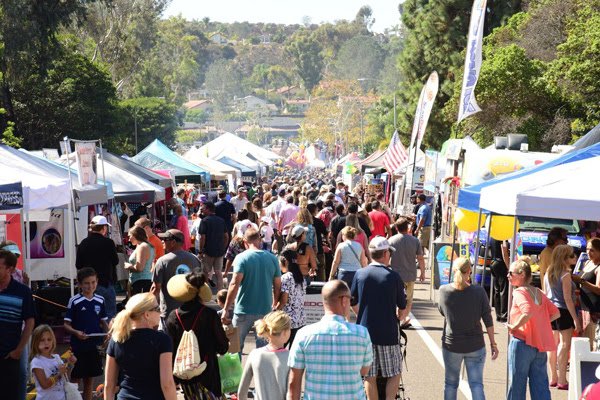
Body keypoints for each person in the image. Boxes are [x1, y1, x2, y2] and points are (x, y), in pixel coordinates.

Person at [287, 280, 373, 400]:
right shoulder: (362, 333)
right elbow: (364, 371)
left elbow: (293, 382)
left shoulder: (304, 334)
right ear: (344, 300)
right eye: (350, 299)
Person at [351, 236, 407, 400]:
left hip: (365, 333)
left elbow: (352, 300)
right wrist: (399, 315)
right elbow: (402, 307)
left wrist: (360, 314)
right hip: (388, 333)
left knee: (370, 374)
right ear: (384, 253)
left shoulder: (360, 274)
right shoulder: (393, 276)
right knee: (394, 372)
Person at [438, 257, 498, 400]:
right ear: (469, 272)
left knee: (450, 384)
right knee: (476, 385)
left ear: (453, 271)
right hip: (475, 345)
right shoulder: (479, 292)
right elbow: (487, 319)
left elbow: (442, 311)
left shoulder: (444, 290)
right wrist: (493, 343)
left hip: (452, 344)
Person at [166, 272, 229, 398]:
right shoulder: (210, 315)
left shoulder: (173, 317)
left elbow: (171, 348)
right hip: (208, 372)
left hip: (185, 373)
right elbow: (223, 347)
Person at [104, 292, 177, 400]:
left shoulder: (117, 339)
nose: (160, 312)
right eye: (157, 309)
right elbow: (167, 384)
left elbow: (109, 385)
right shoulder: (162, 340)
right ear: (146, 315)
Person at [221, 228, 282, 353]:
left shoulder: (241, 258)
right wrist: (275, 303)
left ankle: (237, 373)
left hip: (243, 310)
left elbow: (234, 284)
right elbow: (277, 285)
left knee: (235, 349)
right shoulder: (272, 258)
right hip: (265, 310)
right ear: (259, 240)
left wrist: (226, 309)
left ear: (245, 241)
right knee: (263, 350)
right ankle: (260, 372)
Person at [507, 258, 559, 400]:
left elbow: (528, 311)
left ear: (522, 274)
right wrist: (539, 322)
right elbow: (556, 313)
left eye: (511, 273)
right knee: (540, 385)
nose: (508, 276)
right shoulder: (539, 292)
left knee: (517, 384)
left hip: (522, 343)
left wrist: (514, 326)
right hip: (539, 345)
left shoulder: (519, 292)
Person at [64, 268, 109, 400]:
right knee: (75, 379)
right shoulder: (74, 301)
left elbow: (103, 321)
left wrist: (108, 332)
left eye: (93, 282)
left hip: (94, 346)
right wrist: (76, 332)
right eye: (86, 283)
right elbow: (66, 325)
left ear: (97, 281)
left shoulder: (100, 300)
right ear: (79, 284)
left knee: (89, 379)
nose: (90, 286)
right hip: (78, 346)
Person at [544, 244, 581, 389]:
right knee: (564, 345)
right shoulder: (565, 274)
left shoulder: (549, 272)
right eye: (572, 256)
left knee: (552, 345)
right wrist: (575, 319)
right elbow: (568, 299)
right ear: (564, 258)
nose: (575, 257)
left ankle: (553, 377)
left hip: (551, 310)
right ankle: (562, 379)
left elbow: (547, 295)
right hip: (564, 311)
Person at [0, 249, 35, 400]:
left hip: (9, 355)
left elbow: (30, 321)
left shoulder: (23, 292)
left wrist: (19, 350)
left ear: (11, 269)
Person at [151, 229, 201, 331]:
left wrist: (148, 306)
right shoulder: (195, 259)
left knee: (169, 343)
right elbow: (200, 286)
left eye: (165, 239)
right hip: (192, 312)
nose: (162, 241)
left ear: (173, 242)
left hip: (169, 312)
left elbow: (156, 288)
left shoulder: (162, 261)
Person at [238, 311, 291, 400]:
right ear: (285, 332)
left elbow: (241, 392)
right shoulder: (290, 357)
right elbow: (291, 393)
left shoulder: (254, 354)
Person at [76, 215, 119, 320]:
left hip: (88, 285)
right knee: (109, 315)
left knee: (91, 314)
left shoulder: (83, 243)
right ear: (104, 228)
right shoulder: (108, 243)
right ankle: (108, 336)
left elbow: (78, 265)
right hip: (106, 283)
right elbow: (116, 261)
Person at [388, 218, 426, 328]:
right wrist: (422, 272)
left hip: (395, 275)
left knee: (395, 298)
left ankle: (397, 317)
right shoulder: (415, 241)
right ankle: (403, 318)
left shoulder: (391, 240)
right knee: (408, 299)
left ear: (396, 228)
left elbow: (387, 257)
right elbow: (420, 258)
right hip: (410, 274)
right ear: (408, 227)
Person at [30, 324, 76, 400]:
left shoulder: (57, 357)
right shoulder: (37, 362)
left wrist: (70, 364)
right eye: (42, 340)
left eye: (49, 339)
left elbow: (64, 377)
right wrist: (59, 373)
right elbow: (45, 385)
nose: (46, 343)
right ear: (35, 342)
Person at [572, 238, 600, 350]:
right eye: (587, 249)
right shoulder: (587, 262)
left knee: (592, 342)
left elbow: (598, 289)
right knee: (583, 340)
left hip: (593, 310)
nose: (589, 253)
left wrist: (581, 281)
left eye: (592, 250)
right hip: (583, 308)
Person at [276, 249, 307, 347]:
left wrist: (275, 311)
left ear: (285, 261)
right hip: (300, 320)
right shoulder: (301, 278)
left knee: (281, 350)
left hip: (287, 321)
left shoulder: (286, 278)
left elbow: (284, 300)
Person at [197, 201, 228, 291]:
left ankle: (206, 294)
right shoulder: (221, 220)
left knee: (205, 272)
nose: (202, 209)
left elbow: (202, 238)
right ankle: (220, 293)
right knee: (218, 272)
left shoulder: (204, 221)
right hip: (219, 251)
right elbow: (226, 236)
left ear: (209, 209)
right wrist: (223, 247)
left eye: (204, 208)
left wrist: (200, 250)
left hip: (208, 251)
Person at [124, 226, 155, 295]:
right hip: (142, 281)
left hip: (141, 282)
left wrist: (129, 266)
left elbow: (140, 268)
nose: (129, 239)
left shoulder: (143, 246)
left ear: (135, 235)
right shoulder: (144, 246)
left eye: (130, 236)